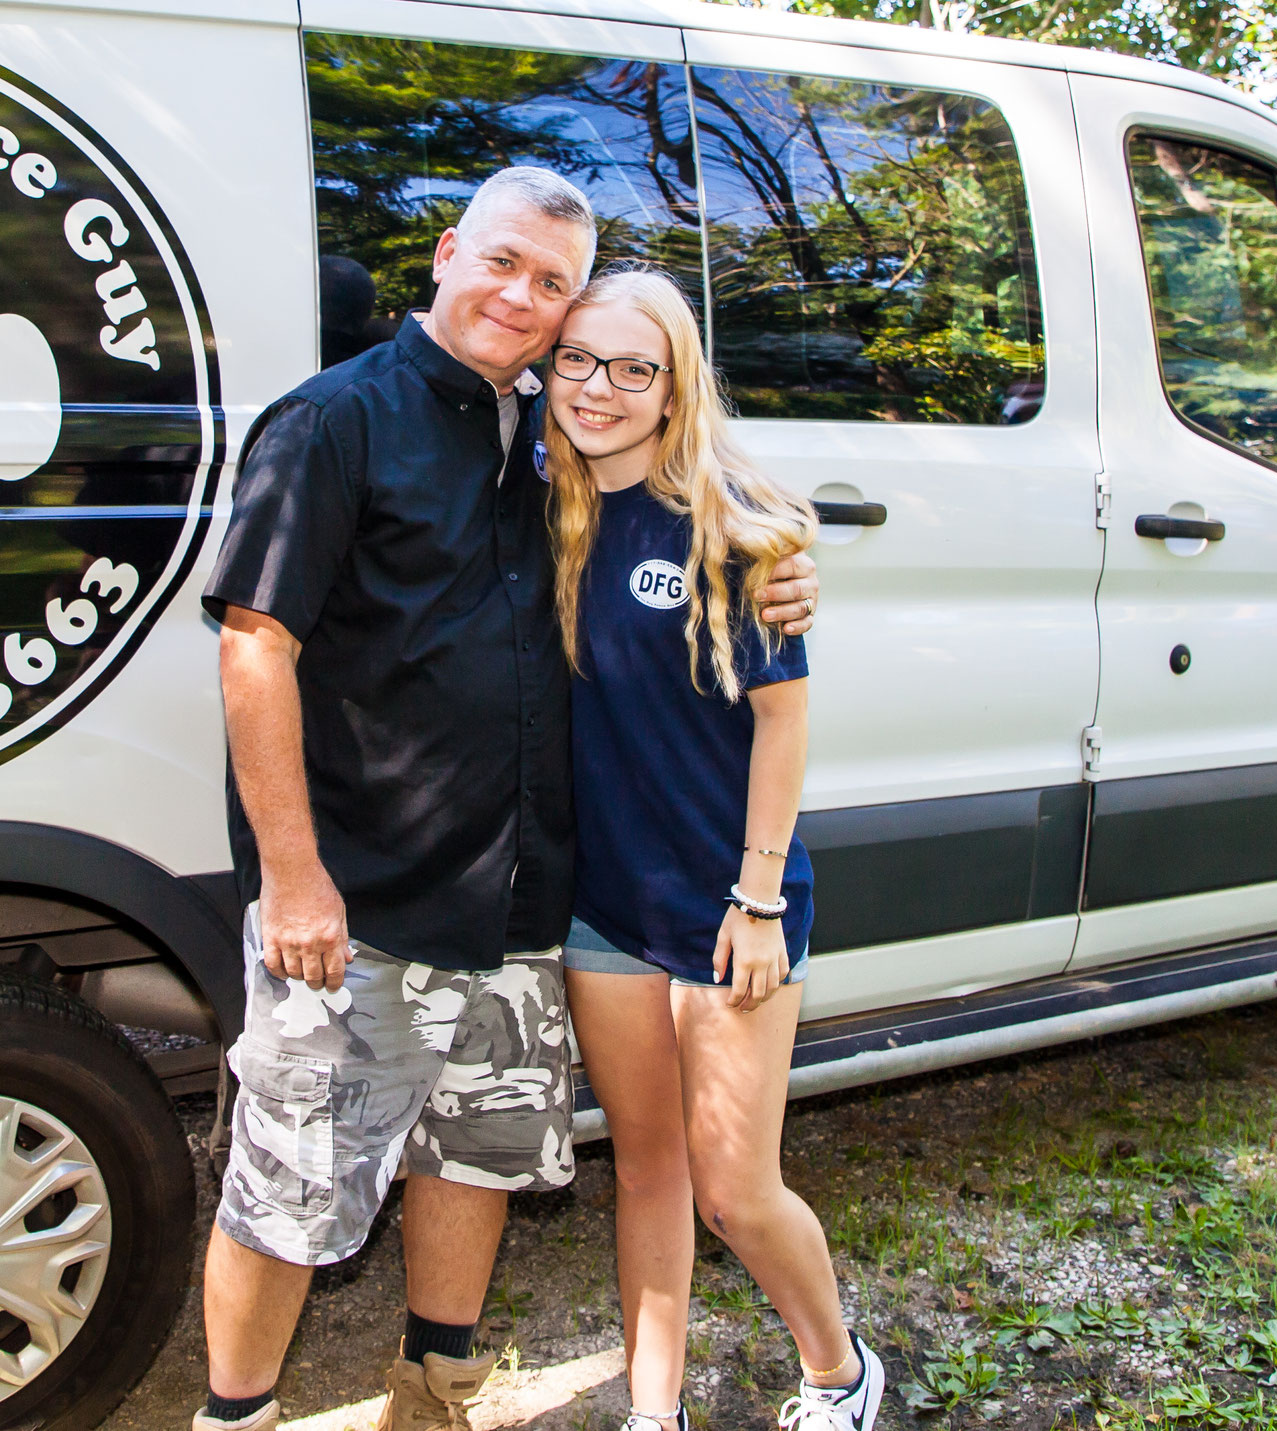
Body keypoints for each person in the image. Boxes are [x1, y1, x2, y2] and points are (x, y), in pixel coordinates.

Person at [196, 173, 821, 1431]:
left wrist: (778, 567)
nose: (521, 300)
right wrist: (293, 877)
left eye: (551, 285)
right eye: (501, 263)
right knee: (288, 1190)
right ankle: (236, 1413)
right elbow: (255, 647)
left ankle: (433, 1392)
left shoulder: (550, 432)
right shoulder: (331, 422)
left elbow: (683, 490)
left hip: (520, 901)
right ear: (445, 254)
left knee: (469, 1153)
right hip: (361, 904)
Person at [543, 265, 881, 1431]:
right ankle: (654, 1412)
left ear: (673, 387)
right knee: (644, 1171)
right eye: (576, 359)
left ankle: (837, 1373)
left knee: (733, 1190)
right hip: (604, 909)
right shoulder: (537, 507)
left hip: (729, 905)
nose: (597, 388)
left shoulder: (729, 526)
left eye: (632, 368)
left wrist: (756, 899)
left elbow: (781, 724)